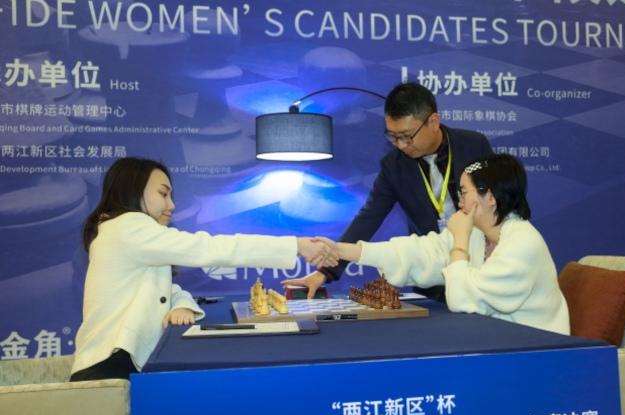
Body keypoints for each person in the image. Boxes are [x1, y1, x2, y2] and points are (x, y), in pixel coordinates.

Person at [70, 157, 338, 381]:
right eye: (163, 194)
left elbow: (163, 289)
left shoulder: (123, 231)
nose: (172, 205)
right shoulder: (129, 227)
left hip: (116, 363)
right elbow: (208, 248)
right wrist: (294, 246)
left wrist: (182, 305)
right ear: (133, 190)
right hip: (108, 369)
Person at [282, 82, 493, 300]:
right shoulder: (394, 166)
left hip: (483, 266)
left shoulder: (473, 146)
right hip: (433, 275)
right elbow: (368, 218)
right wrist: (324, 273)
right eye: (393, 136)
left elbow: (500, 203)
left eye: (407, 136)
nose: (401, 145)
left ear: (433, 122)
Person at [318, 154, 570, 335]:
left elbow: (464, 298)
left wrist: (460, 240)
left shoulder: (523, 243)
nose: (459, 202)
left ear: (490, 197)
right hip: (496, 338)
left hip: (537, 347)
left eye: (464, 192)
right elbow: (419, 252)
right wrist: (342, 250)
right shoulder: (477, 233)